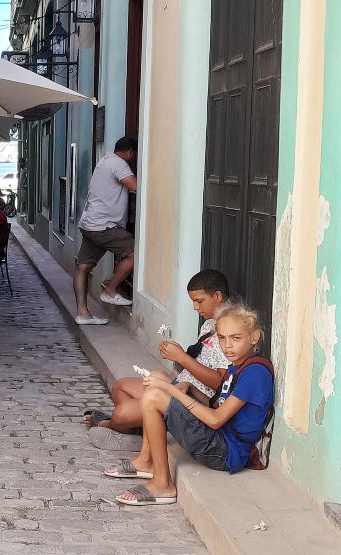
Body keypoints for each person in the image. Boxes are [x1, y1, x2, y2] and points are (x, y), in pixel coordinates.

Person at [104, 303, 274, 506]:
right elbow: (218, 408)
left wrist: (172, 391)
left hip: (226, 451)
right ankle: (146, 461)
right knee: (158, 379)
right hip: (220, 438)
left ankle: (162, 483)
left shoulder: (254, 373)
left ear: (254, 337)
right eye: (222, 338)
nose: (227, 345)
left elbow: (215, 419)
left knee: (154, 396)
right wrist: (190, 389)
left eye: (235, 338)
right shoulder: (237, 367)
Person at [84, 270, 232, 450]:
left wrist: (183, 358)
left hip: (193, 399)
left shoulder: (229, 332)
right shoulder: (209, 324)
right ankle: (149, 431)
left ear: (217, 296)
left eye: (199, 301)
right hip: (181, 385)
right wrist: (176, 356)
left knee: (120, 415)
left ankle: (111, 425)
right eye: (193, 301)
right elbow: (200, 364)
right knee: (120, 387)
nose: (195, 307)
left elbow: (221, 383)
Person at [73, 136, 138, 325]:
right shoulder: (119, 163)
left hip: (89, 224)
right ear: (130, 152)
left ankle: (82, 313)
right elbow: (135, 186)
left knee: (82, 267)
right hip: (104, 226)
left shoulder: (104, 160)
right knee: (135, 254)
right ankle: (110, 290)